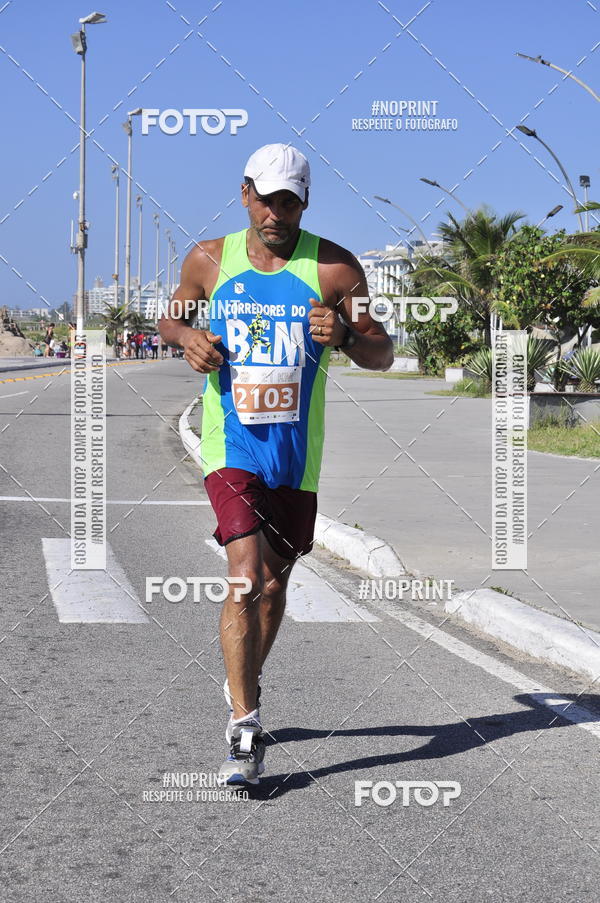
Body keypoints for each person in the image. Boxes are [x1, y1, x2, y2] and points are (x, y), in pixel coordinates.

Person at [159, 143, 393, 785]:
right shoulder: (209, 260)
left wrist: (346, 336)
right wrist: (188, 338)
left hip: (294, 454)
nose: (275, 214)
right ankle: (244, 729)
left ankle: (246, 683)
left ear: (305, 202)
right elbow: (171, 320)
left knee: (273, 585)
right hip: (230, 445)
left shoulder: (336, 269)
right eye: (265, 200)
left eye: (288, 202)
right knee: (246, 575)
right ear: (245, 195)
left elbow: (382, 352)